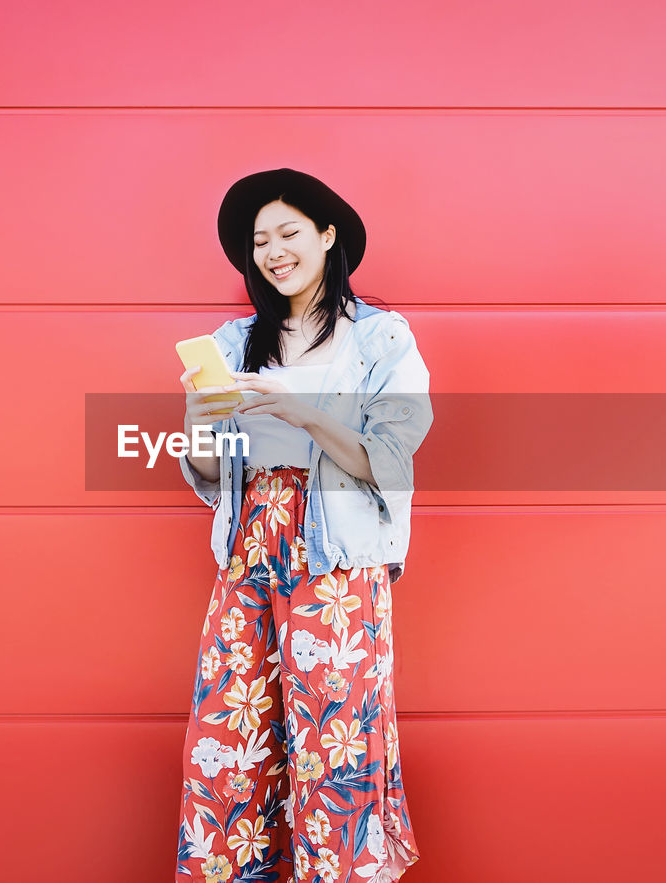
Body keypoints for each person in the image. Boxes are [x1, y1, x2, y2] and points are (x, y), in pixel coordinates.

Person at [175, 168, 432, 883]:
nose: (273, 251)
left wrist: (302, 410)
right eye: (260, 240)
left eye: (289, 232)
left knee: (335, 743)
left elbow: (389, 456)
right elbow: (210, 471)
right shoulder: (233, 343)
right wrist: (197, 430)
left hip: (338, 561)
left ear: (327, 234)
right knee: (232, 738)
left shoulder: (379, 339)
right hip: (250, 548)